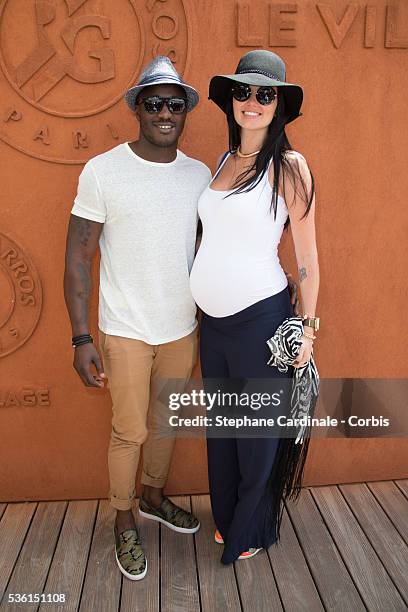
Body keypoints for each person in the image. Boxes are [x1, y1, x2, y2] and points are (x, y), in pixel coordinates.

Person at [63, 56, 212, 581]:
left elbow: (207, 248)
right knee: (128, 430)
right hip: (125, 328)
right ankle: (124, 519)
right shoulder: (103, 170)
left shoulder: (198, 175)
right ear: (137, 110)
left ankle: (153, 497)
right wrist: (82, 337)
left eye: (175, 104)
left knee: (166, 424)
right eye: (154, 103)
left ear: (186, 112)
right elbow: (79, 255)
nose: (165, 113)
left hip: (182, 327)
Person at [189, 50, 320, 564]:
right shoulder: (225, 160)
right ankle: (227, 517)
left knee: (257, 434)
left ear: (279, 105)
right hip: (214, 327)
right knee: (222, 430)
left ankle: (252, 526)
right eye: (243, 92)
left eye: (266, 94)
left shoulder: (289, 166)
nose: (252, 102)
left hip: (261, 322)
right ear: (231, 101)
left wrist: (308, 329)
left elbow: (306, 257)